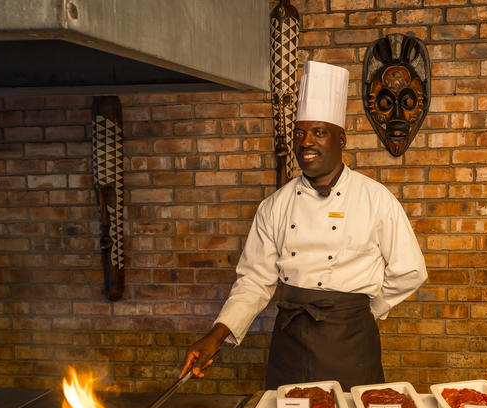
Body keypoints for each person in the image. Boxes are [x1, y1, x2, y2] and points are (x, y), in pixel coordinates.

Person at [180, 61, 427, 389]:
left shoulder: (375, 199)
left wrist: (362, 309)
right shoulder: (275, 206)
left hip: (351, 342)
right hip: (291, 343)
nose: (306, 142)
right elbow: (254, 281)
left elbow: (410, 271)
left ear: (342, 139)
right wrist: (216, 335)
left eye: (319, 132)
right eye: (300, 133)